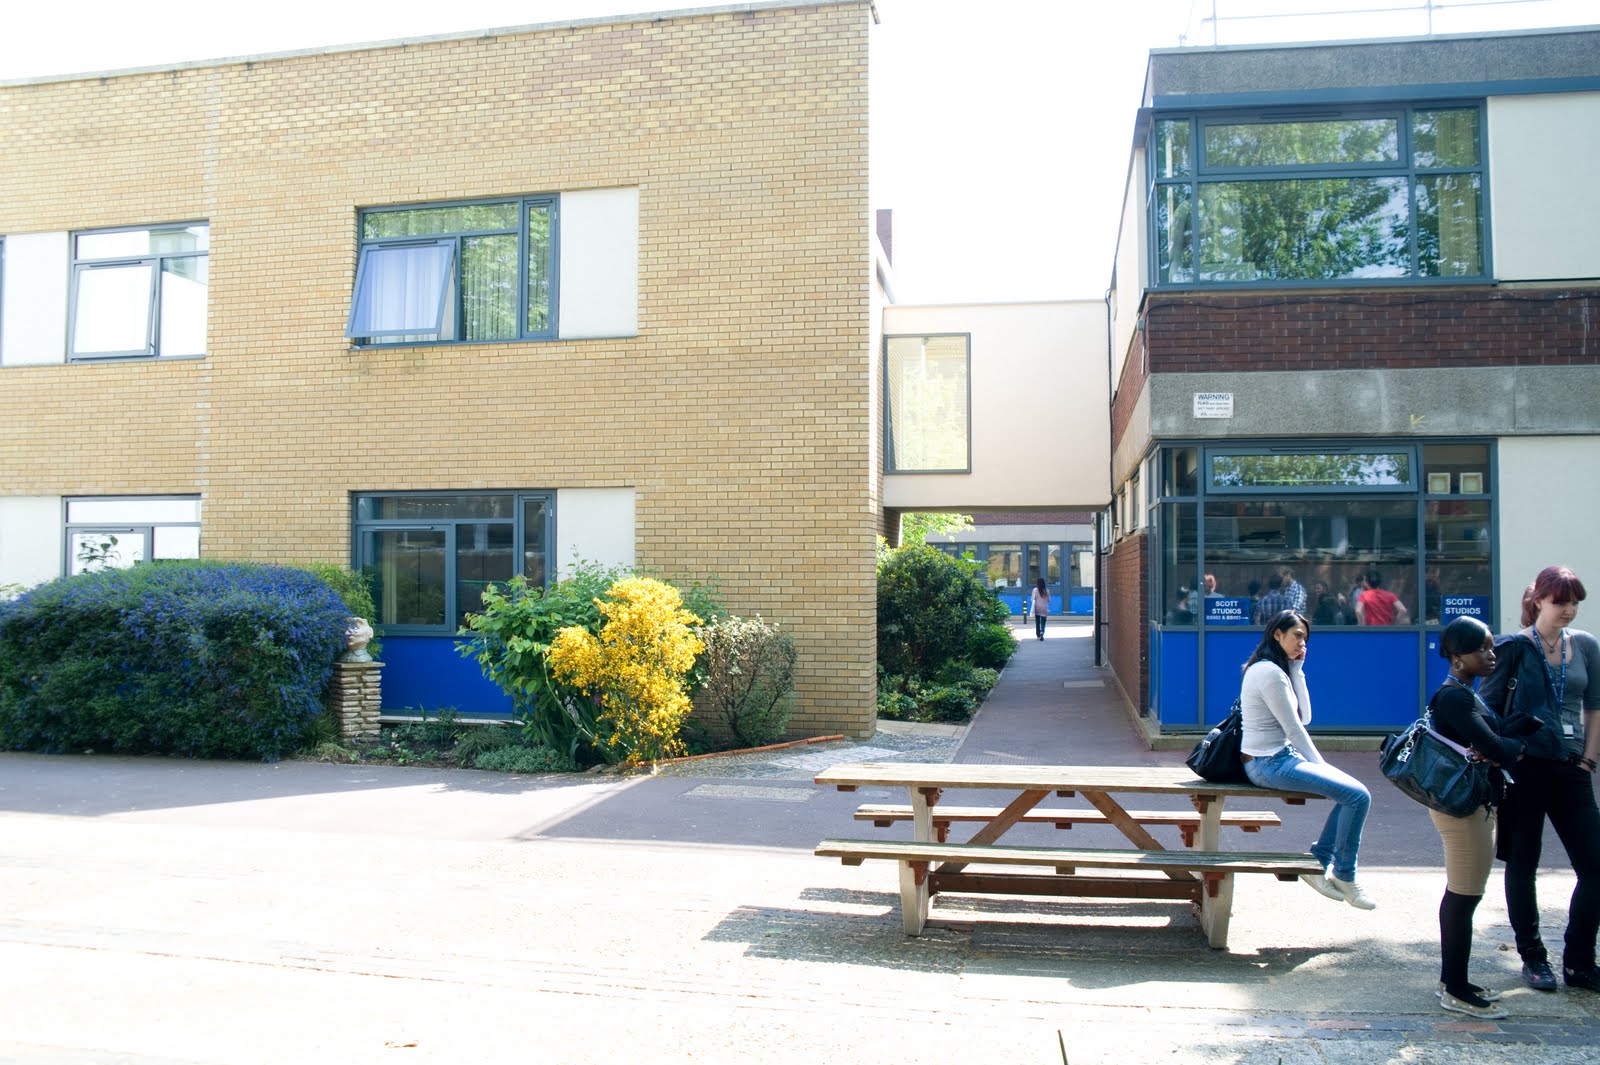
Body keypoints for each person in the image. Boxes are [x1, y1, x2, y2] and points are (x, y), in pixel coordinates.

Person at [1479, 566, 1600, 993]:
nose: (1568, 610)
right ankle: (1534, 959)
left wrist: (1589, 758)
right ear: (1538, 601)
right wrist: (1500, 751)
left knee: (1594, 867)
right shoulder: (1512, 647)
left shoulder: (1584, 645)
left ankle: (1580, 961)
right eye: (1560, 601)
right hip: (1525, 768)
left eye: (1573, 603)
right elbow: (1486, 706)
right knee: (1524, 864)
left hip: (1572, 769)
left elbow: (1595, 705)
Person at [1239, 610, 1376, 909]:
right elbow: (1294, 729)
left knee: (1353, 796)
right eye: (1297, 636)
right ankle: (1342, 875)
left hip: (1276, 758)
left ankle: (1318, 864)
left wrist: (1297, 669)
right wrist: (1321, 767)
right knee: (1356, 796)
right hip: (1267, 763)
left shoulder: (1278, 670)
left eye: (1305, 638)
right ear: (1278, 634)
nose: (1302, 643)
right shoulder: (1268, 673)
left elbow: (1306, 717)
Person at [1428, 617, 1527, 1018]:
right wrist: (1512, 745)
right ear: (1457, 657)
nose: (1491, 655)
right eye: (1481, 649)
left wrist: (1506, 741)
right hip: (1463, 810)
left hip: (1472, 806)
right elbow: (1498, 745)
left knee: (1465, 893)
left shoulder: (1467, 693)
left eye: (1491, 647)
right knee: (1463, 895)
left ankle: (1454, 979)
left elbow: (1498, 736)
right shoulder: (1454, 697)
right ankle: (1455, 990)